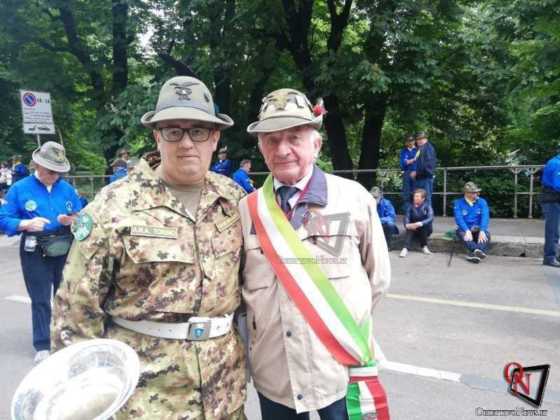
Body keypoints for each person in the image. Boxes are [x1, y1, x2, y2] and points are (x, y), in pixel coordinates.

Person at [51, 76, 247, 419]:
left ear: (215, 138)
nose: (186, 143)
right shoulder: (112, 206)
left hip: (224, 394)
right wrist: (85, 404)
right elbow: (75, 313)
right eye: (173, 130)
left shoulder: (233, 200)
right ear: (157, 136)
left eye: (198, 131)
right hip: (145, 398)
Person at [239, 88, 391, 420]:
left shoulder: (353, 198)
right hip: (276, 377)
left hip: (337, 372)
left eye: (294, 137)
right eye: (272, 140)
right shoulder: (247, 210)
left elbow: (377, 279)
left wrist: (337, 326)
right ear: (261, 148)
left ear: (316, 144)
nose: (282, 149)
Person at [0, 142, 82, 364]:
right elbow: (3, 218)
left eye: (59, 172)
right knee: (41, 298)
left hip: (65, 246)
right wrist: (25, 224)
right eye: (50, 171)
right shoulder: (20, 188)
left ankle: (65, 336)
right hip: (35, 249)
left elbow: (81, 214)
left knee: (65, 295)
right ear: (37, 164)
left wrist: (71, 219)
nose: (54, 176)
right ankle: (43, 344)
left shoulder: (66, 189)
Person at [453, 182, 491, 264]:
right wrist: (467, 230)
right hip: (464, 228)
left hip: (478, 228)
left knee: (486, 235)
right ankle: (477, 251)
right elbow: (459, 218)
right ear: (466, 193)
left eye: (476, 192)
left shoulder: (482, 201)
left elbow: (485, 216)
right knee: (463, 234)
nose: (477, 194)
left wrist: (482, 230)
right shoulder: (458, 203)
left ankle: (474, 252)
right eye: (474, 192)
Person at [400, 188, 433, 258]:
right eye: (415, 196)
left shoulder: (427, 206)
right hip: (414, 228)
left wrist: (420, 223)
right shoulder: (410, 206)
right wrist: (407, 225)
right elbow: (406, 217)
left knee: (423, 227)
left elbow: (430, 218)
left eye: (418, 196)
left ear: (423, 198)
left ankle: (424, 246)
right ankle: (405, 248)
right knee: (410, 228)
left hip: (425, 228)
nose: (415, 198)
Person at [540, 151, 560, 267]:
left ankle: (553, 255)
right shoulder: (556, 163)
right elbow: (557, 184)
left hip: (554, 199)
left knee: (555, 230)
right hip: (552, 200)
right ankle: (549, 257)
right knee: (553, 231)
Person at [410, 131, 437, 207]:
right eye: (418, 139)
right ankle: (420, 216)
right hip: (420, 178)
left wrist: (416, 173)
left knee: (426, 199)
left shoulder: (428, 148)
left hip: (425, 178)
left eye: (422, 138)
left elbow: (429, 166)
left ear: (426, 139)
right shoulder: (420, 148)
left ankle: (428, 218)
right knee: (418, 200)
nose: (419, 140)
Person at [399, 135, 417, 212]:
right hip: (407, 173)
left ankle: (416, 210)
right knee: (406, 192)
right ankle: (407, 211)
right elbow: (403, 163)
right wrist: (412, 160)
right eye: (408, 141)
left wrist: (408, 161)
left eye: (412, 141)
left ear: (414, 141)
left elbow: (420, 162)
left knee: (416, 192)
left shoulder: (418, 150)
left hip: (416, 173)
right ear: (406, 142)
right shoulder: (403, 151)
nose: (410, 142)